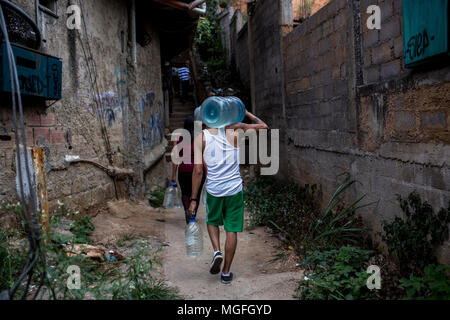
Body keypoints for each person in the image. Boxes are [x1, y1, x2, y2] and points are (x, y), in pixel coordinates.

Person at [188, 109, 268, 284]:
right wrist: (246, 112)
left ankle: (217, 251)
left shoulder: (201, 137)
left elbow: (198, 171)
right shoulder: (235, 129)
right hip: (234, 190)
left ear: (203, 120)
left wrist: (193, 199)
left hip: (214, 190)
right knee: (232, 230)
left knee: (212, 221)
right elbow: (264, 126)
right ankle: (226, 273)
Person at [171, 117, 205, 223]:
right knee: (196, 194)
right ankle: (193, 214)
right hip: (198, 170)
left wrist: (173, 176)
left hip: (183, 170)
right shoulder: (200, 138)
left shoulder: (178, 138)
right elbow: (205, 157)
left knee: (185, 193)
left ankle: (187, 210)